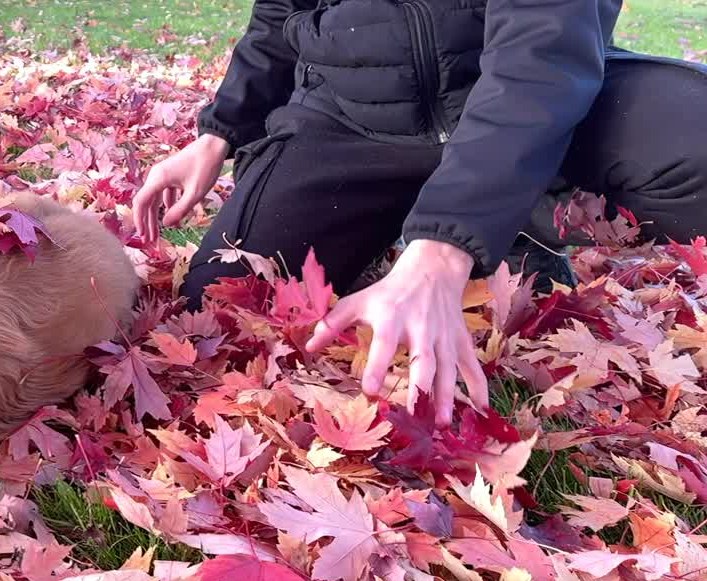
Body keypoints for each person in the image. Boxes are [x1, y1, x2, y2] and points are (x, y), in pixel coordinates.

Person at [134, 0, 707, 425]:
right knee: (221, 308)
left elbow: (542, 46)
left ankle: (516, 219)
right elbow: (280, 14)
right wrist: (218, 134)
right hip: (347, 118)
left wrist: (446, 242)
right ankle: (427, 220)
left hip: (512, 88)